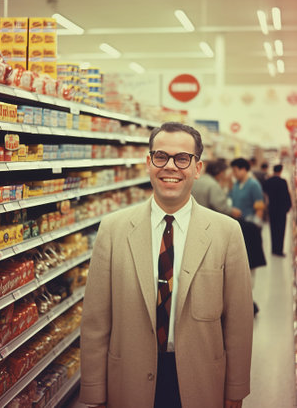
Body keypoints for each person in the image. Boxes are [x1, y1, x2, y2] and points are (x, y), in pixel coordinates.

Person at [79, 122, 253, 408]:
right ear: (148, 163)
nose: (170, 166)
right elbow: (96, 322)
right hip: (129, 379)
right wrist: (95, 391)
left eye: (182, 158)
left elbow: (239, 322)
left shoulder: (227, 232)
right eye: (161, 157)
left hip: (201, 379)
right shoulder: (113, 229)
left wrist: (236, 389)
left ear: (198, 168)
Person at [229, 157, 266, 316]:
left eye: (235, 170)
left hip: (250, 228)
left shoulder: (254, 185)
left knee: (250, 262)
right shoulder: (236, 185)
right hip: (238, 227)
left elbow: (259, 207)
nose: (233, 173)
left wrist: (256, 226)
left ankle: (248, 298)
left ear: (243, 169)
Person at [263, 164, 292, 256]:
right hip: (281, 210)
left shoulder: (268, 181)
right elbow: (287, 196)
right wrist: (288, 207)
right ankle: (279, 250)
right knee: (281, 229)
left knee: (273, 229)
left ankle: (273, 249)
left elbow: (265, 193)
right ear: (281, 171)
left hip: (272, 209)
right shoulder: (283, 181)